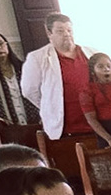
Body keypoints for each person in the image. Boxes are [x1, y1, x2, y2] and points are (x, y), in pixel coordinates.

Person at [19, 12, 92, 142]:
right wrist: (52, 104)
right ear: (49, 33)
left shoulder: (91, 52)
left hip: (96, 123)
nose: (66, 34)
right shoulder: (37, 58)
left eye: (69, 30)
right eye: (60, 31)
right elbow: (29, 91)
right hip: (64, 128)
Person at [0, 31, 36, 128]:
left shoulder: (25, 69)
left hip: (35, 122)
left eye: (0, 43)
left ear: (7, 45)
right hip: (8, 128)